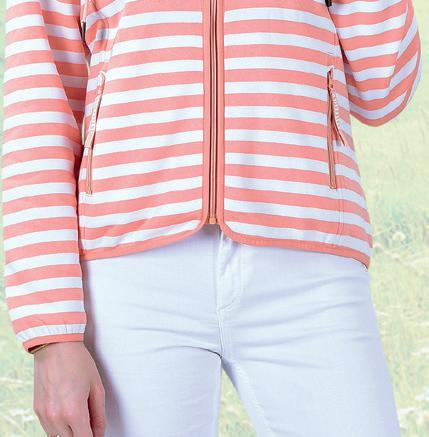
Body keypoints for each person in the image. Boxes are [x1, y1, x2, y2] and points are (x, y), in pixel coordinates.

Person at [1, 0, 422, 436]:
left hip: (310, 262)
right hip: (130, 277)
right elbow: (39, 110)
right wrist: (53, 333)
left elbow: (383, 89)